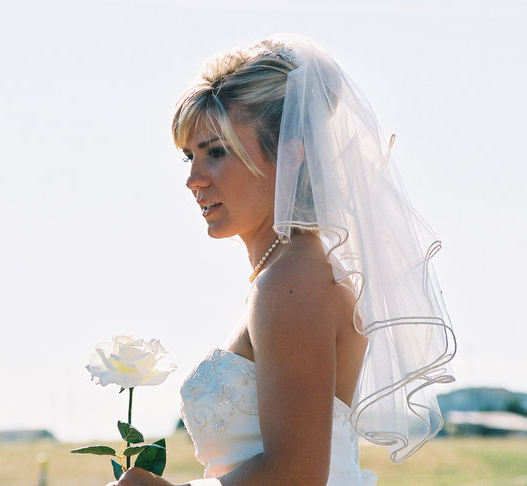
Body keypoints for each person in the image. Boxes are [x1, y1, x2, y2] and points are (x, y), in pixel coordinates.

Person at [112, 34, 456, 486]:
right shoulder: (288, 272)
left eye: (216, 152)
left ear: (289, 155)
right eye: (188, 156)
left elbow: (296, 475)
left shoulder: (292, 281)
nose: (193, 180)